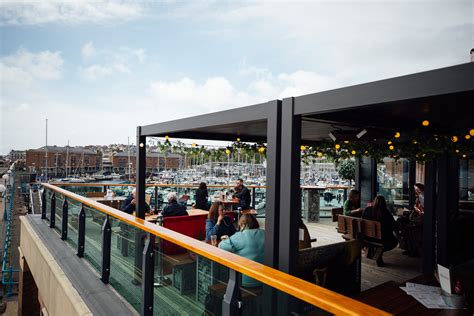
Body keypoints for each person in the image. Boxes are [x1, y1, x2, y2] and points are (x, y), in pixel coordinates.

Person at [219, 214, 264, 287]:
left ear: (243, 225)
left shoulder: (240, 236)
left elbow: (221, 246)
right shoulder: (264, 233)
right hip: (264, 280)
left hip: (245, 281)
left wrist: (228, 240)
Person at [362, 195, 398, 266]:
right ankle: (378, 252)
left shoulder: (367, 210)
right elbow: (393, 225)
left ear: (374, 201)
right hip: (381, 239)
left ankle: (376, 251)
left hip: (368, 237)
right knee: (394, 241)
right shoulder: (386, 212)